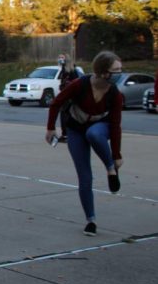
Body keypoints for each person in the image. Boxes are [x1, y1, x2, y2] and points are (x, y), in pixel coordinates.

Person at [46, 51, 124, 237]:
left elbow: (115, 125)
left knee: (94, 133)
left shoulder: (115, 94)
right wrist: (51, 128)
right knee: (85, 177)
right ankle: (91, 220)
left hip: (100, 127)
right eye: (116, 70)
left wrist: (116, 154)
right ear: (103, 72)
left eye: (120, 69)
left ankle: (111, 168)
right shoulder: (80, 84)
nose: (120, 73)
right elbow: (56, 103)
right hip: (75, 130)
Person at [56, 53, 79, 142]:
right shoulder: (63, 70)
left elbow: (75, 83)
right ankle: (65, 134)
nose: (60, 59)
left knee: (67, 115)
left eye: (62, 57)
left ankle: (68, 134)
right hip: (64, 95)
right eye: (59, 57)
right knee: (63, 115)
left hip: (70, 97)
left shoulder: (72, 71)